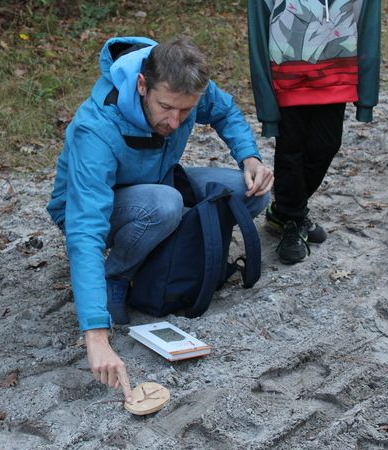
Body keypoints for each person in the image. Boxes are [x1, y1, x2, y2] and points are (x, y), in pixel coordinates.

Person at [47, 37, 273, 399]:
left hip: (158, 186)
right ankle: (117, 273)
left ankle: (163, 248)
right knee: (165, 205)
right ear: (141, 86)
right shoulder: (97, 128)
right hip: (90, 208)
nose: (174, 121)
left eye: (186, 112)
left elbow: (226, 110)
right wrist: (95, 335)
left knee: (249, 194)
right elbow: (84, 229)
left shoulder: (183, 83)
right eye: (166, 107)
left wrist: (250, 157)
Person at [247, 0, 381, 264]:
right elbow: (259, 31)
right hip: (287, 76)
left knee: (326, 144)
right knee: (291, 150)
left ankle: (283, 212)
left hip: (336, 74)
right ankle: (293, 219)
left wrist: (366, 94)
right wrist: (265, 97)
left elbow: (367, 23)